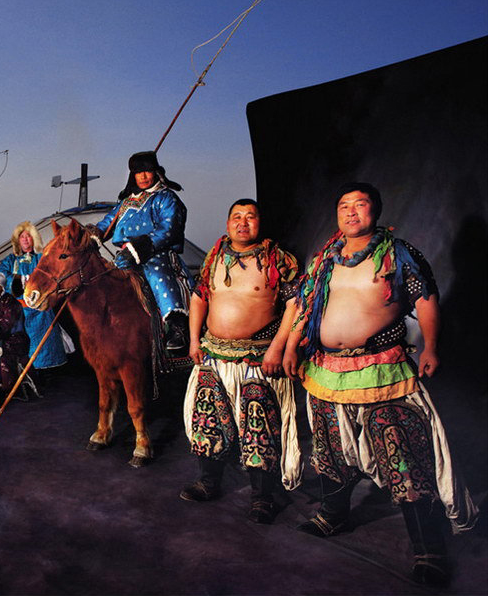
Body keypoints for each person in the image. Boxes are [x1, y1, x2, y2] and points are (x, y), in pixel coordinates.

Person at [282, 182, 477, 585]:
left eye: (360, 204)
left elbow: (426, 300)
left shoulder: (398, 253)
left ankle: (428, 549)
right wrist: (288, 348)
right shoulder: (324, 260)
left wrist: (431, 347)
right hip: (325, 371)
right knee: (330, 450)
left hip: (383, 369)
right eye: (344, 206)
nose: (351, 212)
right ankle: (332, 516)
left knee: (404, 456)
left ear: (376, 211)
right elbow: (304, 306)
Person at [180, 199, 301, 524]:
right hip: (213, 354)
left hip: (258, 357)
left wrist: (278, 348)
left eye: (250, 217)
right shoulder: (215, 255)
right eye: (237, 217)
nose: (243, 223)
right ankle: (208, 482)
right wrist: (193, 339)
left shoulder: (277, 258)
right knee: (207, 420)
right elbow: (199, 297)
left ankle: (263, 497)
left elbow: (296, 305)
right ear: (228, 222)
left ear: (260, 223)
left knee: (259, 425)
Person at [94, 151, 191, 350]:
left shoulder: (165, 197)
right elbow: (107, 224)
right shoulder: (126, 202)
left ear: (156, 172)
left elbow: (169, 228)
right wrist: (92, 236)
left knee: (157, 273)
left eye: (147, 171)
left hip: (155, 252)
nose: (143, 176)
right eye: (138, 172)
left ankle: (176, 324)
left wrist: (139, 248)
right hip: (124, 257)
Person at [0, 222, 67, 382]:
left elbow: (53, 273)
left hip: (41, 309)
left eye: (28, 236)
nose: (25, 239)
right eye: (22, 236)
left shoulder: (42, 257)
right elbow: (1, 277)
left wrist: (36, 281)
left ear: (34, 238)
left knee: (44, 342)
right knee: (21, 343)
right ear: (17, 240)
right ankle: (22, 374)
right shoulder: (10, 260)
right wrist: (21, 279)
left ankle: (46, 375)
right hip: (19, 311)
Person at [0, 271, 35, 399]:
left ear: (1, 286)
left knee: (3, 357)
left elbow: (7, 323)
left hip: (14, 338)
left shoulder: (10, 301)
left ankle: (7, 390)